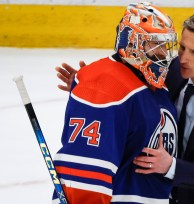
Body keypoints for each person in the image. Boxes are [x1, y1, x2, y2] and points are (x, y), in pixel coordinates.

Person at [56, 12, 194, 204]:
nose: (183, 58)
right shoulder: (173, 69)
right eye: (182, 47)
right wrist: (94, 85)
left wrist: (171, 167)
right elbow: (133, 78)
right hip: (162, 195)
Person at [52, 2, 178, 204]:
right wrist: (91, 87)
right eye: (155, 45)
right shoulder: (105, 87)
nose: (163, 53)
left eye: (165, 45)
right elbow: (85, 177)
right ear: (132, 43)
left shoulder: (154, 85)